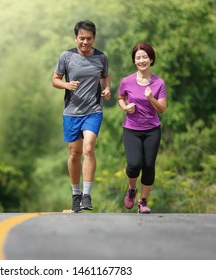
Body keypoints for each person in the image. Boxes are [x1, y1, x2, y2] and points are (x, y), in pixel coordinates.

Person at [52, 20, 111, 213]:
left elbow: (104, 76)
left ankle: (87, 195)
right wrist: (66, 85)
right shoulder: (66, 56)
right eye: (81, 38)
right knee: (74, 154)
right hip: (71, 112)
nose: (85, 42)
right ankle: (76, 194)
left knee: (88, 148)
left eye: (89, 38)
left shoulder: (101, 57)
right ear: (76, 38)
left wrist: (107, 89)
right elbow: (55, 80)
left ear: (94, 38)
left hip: (93, 110)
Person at [117, 43, 167, 214]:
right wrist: (124, 107)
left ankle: (143, 202)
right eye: (138, 57)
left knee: (148, 166)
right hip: (131, 128)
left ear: (151, 59)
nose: (141, 60)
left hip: (152, 129)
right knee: (133, 164)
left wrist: (151, 98)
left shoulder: (159, 83)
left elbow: (162, 108)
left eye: (145, 57)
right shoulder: (127, 81)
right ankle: (132, 189)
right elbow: (120, 98)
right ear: (134, 61)